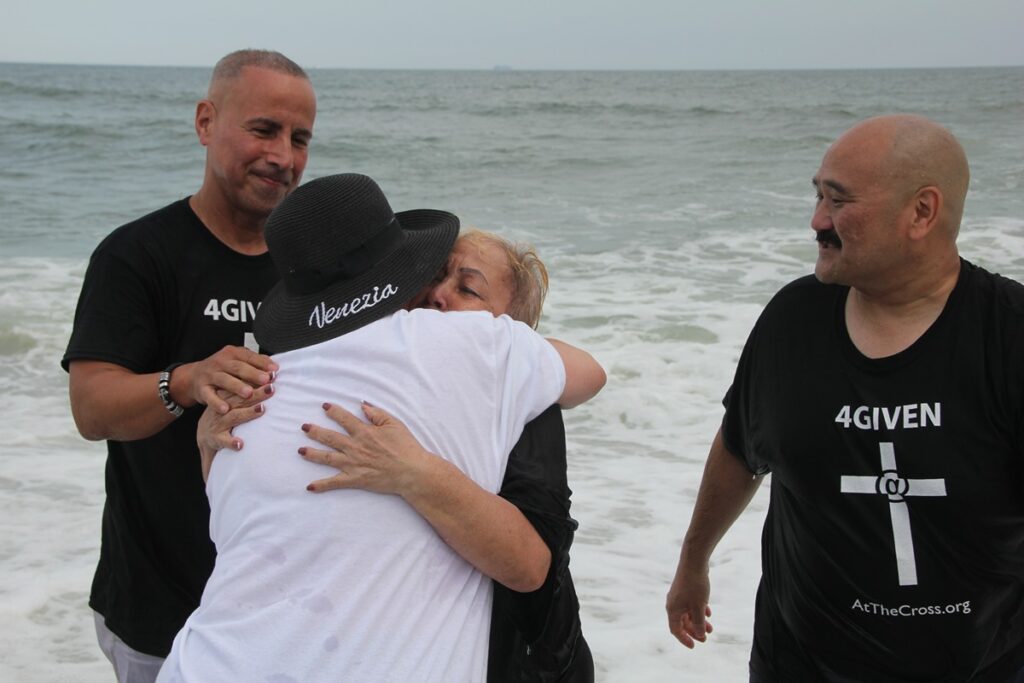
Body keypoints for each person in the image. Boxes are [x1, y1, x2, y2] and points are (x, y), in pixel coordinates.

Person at [157, 173, 605, 682]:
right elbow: (591, 372)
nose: (439, 298)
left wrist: (413, 472)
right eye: (434, 276)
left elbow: (532, 571)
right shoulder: (465, 354)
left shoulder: (271, 381)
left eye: (468, 289)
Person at [666, 113, 1024, 682]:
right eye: (817, 195)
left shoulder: (1007, 337)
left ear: (922, 212)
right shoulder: (792, 321)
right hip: (798, 663)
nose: (817, 221)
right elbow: (741, 448)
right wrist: (693, 561)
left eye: (838, 201)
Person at [60, 49, 316, 682]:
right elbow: (92, 408)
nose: (283, 155)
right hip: (161, 606)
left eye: (300, 138)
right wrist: (186, 381)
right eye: (263, 129)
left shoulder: (317, 270)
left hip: (289, 604)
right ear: (206, 121)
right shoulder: (136, 255)